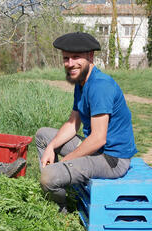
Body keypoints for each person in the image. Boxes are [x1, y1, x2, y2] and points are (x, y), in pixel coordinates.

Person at [35, 32, 137, 212]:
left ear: (90, 56)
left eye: (76, 57)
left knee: (48, 176)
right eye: (66, 58)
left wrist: (65, 162)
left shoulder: (100, 86)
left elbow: (98, 139)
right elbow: (73, 123)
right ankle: (60, 190)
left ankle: (59, 207)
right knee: (43, 136)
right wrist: (51, 147)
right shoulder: (82, 82)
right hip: (96, 150)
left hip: (112, 158)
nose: (70, 63)